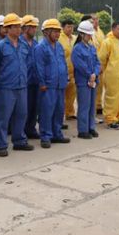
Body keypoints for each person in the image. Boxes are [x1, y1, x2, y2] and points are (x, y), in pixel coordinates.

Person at [0, 13, 35, 156]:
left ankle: (19, 141)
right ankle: (1, 144)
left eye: (19, 27)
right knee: (3, 117)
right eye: (15, 27)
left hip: (21, 86)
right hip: (6, 87)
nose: (18, 29)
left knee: (21, 114)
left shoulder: (23, 45)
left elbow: (26, 63)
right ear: (7, 29)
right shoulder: (0, 47)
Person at [34, 19, 70, 148]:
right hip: (48, 86)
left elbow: (63, 63)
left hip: (60, 85)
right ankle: (45, 136)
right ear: (46, 32)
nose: (57, 34)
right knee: (46, 112)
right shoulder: (40, 47)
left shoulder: (59, 46)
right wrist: (42, 83)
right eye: (54, 31)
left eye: (58, 31)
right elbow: (39, 67)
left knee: (59, 111)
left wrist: (66, 77)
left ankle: (56, 134)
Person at [99, 22, 119, 129]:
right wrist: (104, 71)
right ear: (113, 29)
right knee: (112, 97)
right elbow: (102, 59)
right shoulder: (107, 42)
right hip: (112, 76)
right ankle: (110, 119)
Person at [72, 20, 101, 139]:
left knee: (92, 106)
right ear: (81, 34)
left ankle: (91, 127)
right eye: (88, 34)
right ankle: (83, 130)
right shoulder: (77, 49)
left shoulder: (92, 47)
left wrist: (95, 73)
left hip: (92, 80)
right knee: (84, 106)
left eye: (90, 34)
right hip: (83, 81)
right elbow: (79, 65)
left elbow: (97, 62)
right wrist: (90, 74)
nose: (90, 36)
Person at [20, 15, 41, 139]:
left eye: (35, 27)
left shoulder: (36, 44)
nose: (34, 30)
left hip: (35, 80)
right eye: (32, 27)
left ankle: (31, 129)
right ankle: (22, 130)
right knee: (24, 109)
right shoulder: (19, 43)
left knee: (34, 107)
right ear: (25, 28)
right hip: (24, 81)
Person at [59, 19, 77, 121]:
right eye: (68, 27)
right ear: (63, 28)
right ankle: (60, 116)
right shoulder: (59, 38)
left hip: (73, 71)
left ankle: (70, 112)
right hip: (63, 71)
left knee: (72, 94)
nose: (70, 29)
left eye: (72, 27)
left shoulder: (75, 38)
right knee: (61, 95)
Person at [90, 14, 107, 114]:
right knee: (93, 85)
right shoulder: (89, 32)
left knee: (100, 85)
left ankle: (99, 105)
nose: (96, 21)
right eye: (93, 20)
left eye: (97, 19)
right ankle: (94, 106)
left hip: (101, 62)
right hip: (93, 61)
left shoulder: (100, 31)